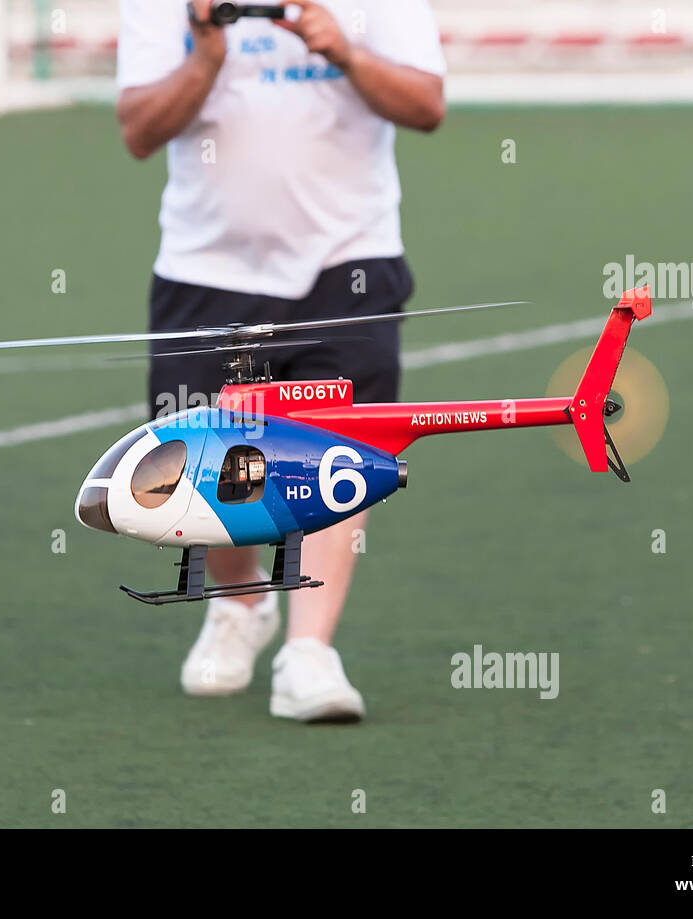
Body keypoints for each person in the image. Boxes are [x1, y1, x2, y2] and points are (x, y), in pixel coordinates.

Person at [116, 0, 446, 722]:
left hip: (349, 258)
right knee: (193, 459)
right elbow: (139, 129)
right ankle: (241, 600)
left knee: (342, 451)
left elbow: (426, 105)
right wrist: (206, 56)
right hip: (205, 265)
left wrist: (346, 52)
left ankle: (309, 652)